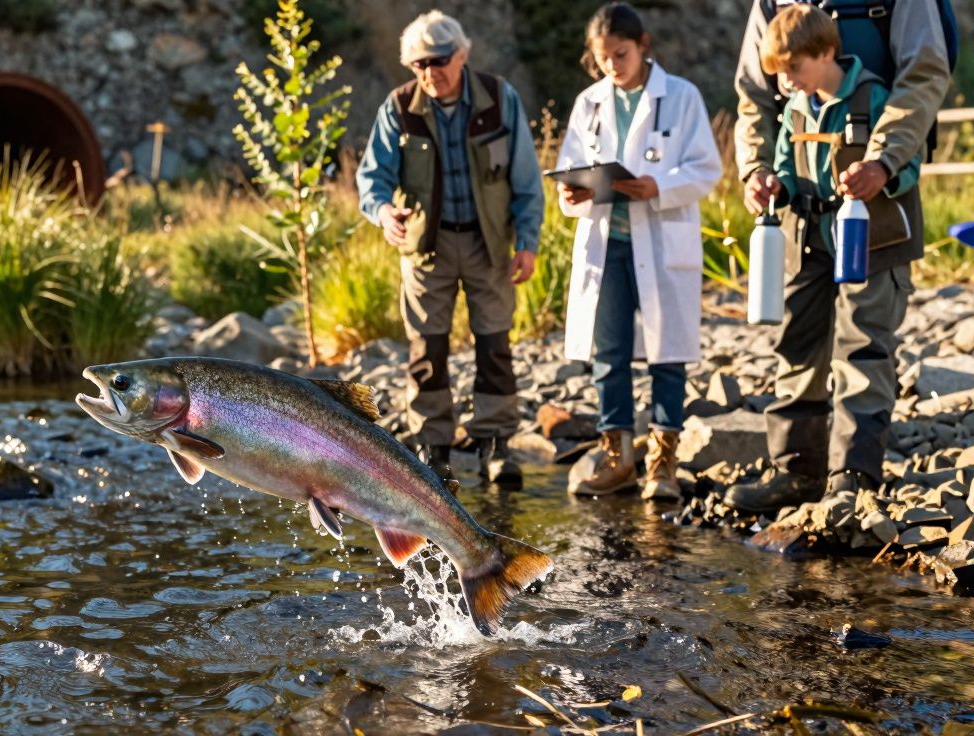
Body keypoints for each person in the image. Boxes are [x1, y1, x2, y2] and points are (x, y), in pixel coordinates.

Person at [725, 1, 950, 512]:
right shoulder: (771, 5)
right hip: (800, 221)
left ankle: (853, 476)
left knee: (864, 343)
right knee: (796, 340)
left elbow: (926, 71)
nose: (788, 82)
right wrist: (757, 171)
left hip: (877, 210)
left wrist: (884, 161)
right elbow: (753, 98)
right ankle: (795, 471)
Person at [355, 10, 544, 488]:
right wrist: (382, 213)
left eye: (438, 61)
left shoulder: (500, 100)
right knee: (426, 350)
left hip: (490, 245)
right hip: (425, 250)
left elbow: (526, 179)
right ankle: (432, 449)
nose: (428, 73)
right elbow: (371, 180)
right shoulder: (398, 108)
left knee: (495, 344)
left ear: (462, 54)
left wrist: (528, 242)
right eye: (417, 64)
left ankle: (496, 445)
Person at [555, 2, 721, 501]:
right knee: (609, 355)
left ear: (642, 45)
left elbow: (705, 169)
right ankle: (617, 457)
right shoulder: (589, 103)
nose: (612, 65)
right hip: (607, 247)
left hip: (662, 240)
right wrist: (571, 193)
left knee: (667, 353)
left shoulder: (682, 97)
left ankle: (662, 465)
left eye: (620, 54)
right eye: (603, 57)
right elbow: (569, 166)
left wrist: (659, 186)